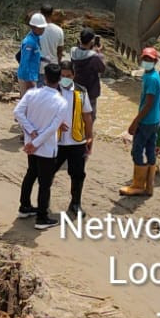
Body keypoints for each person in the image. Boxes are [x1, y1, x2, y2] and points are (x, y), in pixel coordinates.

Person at [13, 63, 69, 229]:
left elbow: (17, 113)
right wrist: (37, 142)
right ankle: (42, 217)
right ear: (59, 79)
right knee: (45, 183)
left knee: (31, 174)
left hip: (31, 143)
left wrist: (31, 133)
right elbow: (52, 128)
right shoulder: (61, 102)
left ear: (44, 78)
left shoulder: (32, 94)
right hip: (45, 148)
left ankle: (24, 207)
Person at [120, 47, 160, 197]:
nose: (146, 62)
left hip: (147, 121)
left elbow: (148, 103)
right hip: (154, 120)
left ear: (155, 61)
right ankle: (149, 185)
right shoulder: (153, 75)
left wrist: (135, 122)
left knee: (137, 151)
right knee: (150, 150)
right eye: (145, 59)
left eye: (149, 60)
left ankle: (138, 185)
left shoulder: (151, 79)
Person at [56, 59, 94, 219]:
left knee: (78, 174)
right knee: (46, 173)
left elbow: (87, 116)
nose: (65, 78)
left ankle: (75, 203)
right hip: (56, 141)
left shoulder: (81, 91)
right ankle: (41, 206)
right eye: (63, 75)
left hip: (76, 141)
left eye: (68, 75)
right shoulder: (52, 90)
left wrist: (90, 136)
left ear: (74, 75)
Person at [69, 29, 105, 128]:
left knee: (77, 113)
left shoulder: (73, 52)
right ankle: (87, 136)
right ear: (92, 41)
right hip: (91, 90)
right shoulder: (94, 58)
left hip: (76, 88)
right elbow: (102, 69)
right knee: (90, 115)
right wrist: (100, 54)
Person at [17, 14, 45, 96]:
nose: (43, 30)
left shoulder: (37, 39)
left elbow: (35, 56)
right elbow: (25, 62)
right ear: (34, 27)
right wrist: (28, 82)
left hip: (33, 76)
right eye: (41, 28)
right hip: (27, 78)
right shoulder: (29, 42)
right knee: (27, 105)